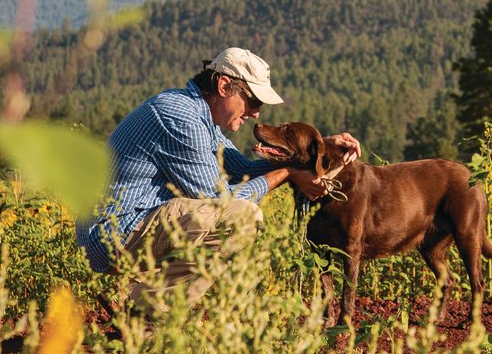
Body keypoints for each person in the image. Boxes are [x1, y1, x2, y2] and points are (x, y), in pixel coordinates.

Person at [76, 47, 361, 311]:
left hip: (123, 226)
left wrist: (319, 149)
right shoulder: (182, 120)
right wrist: (287, 172)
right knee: (242, 217)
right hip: (112, 235)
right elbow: (223, 201)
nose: (256, 113)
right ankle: (144, 311)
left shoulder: (198, 116)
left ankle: (137, 303)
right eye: (252, 101)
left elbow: (242, 169)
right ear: (224, 86)